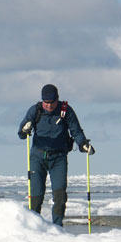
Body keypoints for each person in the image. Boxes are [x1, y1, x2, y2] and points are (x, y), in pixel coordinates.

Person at [18, 84, 94, 226]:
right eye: (46, 102)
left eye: (51, 102)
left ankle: (57, 227)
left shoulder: (66, 111)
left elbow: (76, 131)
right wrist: (25, 129)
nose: (49, 106)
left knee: (60, 195)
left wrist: (83, 144)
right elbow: (21, 134)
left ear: (57, 99)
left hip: (58, 157)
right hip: (38, 157)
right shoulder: (35, 110)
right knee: (36, 194)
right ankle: (34, 227)